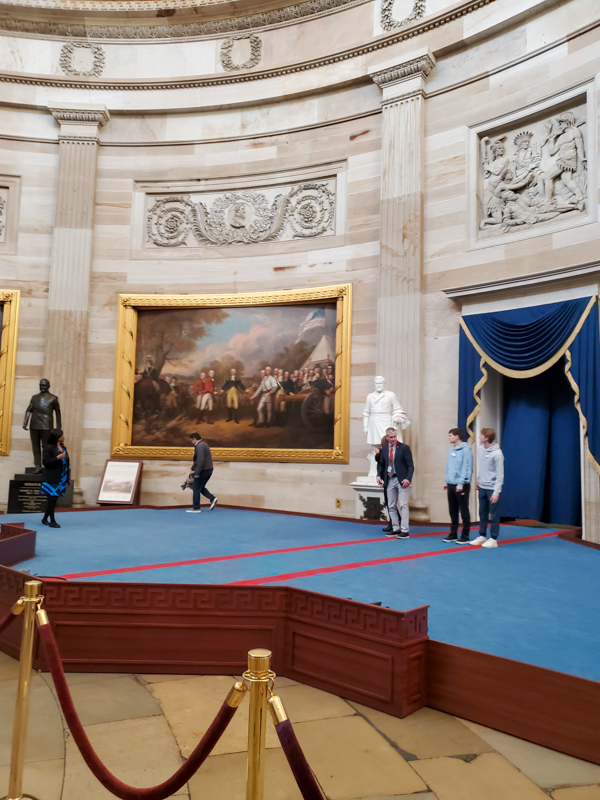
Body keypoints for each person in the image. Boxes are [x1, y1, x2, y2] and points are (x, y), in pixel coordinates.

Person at [376, 427, 414, 539]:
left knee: (403, 505)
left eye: (394, 437)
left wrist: (408, 478)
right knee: (391, 505)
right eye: (391, 437)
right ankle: (396, 528)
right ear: (387, 437)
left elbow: (410, 466)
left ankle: (405, 530)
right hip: (389, 479)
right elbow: (381, 464)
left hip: (401, 479)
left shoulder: (404, 448)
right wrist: (379, 476)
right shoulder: (384, 448)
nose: (393, 439)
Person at [471, 428, 504, 549]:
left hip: (492, 488)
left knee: (494, 515)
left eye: (481, 435)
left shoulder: (497, 454)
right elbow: (482, 467)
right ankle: (482, 535)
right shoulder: (480, 450)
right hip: (482, 487)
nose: (479, 436)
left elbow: (500, 475)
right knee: (482, 513)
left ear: (486, 438)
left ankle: (494, 538)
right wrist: (478, 480)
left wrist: (496, 492)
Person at [23, 379, 62, 472]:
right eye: (41, 385)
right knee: (35, 447)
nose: (42, 387)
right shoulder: (34, 398)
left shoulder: (53, 398)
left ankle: (47, 465)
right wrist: (25, 422)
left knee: (47, 447)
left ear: (48, 386)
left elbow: (58, 413)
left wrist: (58, 426)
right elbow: (29, 410)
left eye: (44, 385)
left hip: (47, 426)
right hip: (34, 426)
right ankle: (38, 465)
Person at [442, 428, 473, 544]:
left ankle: (465, 535)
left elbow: (466, 468)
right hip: (451, 483)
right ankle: (453, 533)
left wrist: (461, 483)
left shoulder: (466, 451)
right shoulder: (450, 451)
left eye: (450, 435)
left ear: (457, 436)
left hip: (461, 485)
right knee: (453, 510)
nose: (449, 437)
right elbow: (448, 467)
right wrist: (446, 481)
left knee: (464, 510)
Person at [41, 428, 70, 528]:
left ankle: (45, 518)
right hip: (52, 478)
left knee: (54, 500)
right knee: (52, 499)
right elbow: (46, 462)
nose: (63, 437)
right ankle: (52, 521)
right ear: (57, 437)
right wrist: (57, 458)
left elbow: (66, 462)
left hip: (61, 477)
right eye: (62, 435)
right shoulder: (48, 447)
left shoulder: (63, 447)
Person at [186, 432, 218, 514]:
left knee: (196, 487)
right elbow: (198, 460)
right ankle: (212, 498)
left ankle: (196, 507)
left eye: (191, 440)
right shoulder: (204, 444)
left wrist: (196, 472)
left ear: (194, 439)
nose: (192, 442)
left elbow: (200, 460)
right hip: (208, 470)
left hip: (203, 470)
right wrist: (193, 468)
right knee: (200, 487)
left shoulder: (199, 446)